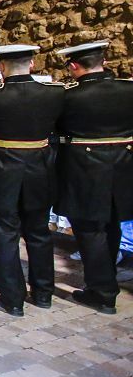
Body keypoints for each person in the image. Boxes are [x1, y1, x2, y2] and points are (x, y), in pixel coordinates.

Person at [0, 44, 65, 316]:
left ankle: (13, 299)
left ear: (1, 68)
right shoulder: (56, 93)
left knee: (5, 233)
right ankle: (44, 292)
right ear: (32, 64)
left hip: (3, 170)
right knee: (39, 232)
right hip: (39, 168)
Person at [55, 41, 132, 314]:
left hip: (84, 168)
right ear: (104, 62)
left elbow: (55, 129)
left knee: (89, 229)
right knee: (112, 224)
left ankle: (102, 291)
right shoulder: (128, 89)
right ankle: (106, 279)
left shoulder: (67, 95)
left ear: (74, 65)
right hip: (123, 166)